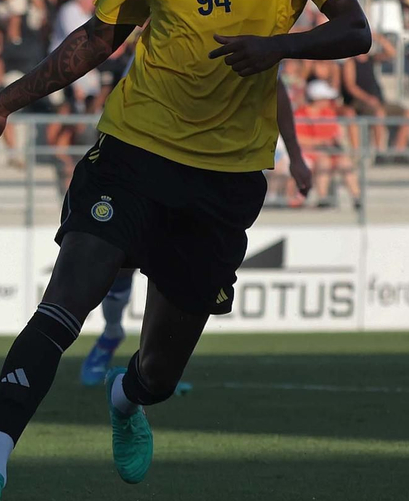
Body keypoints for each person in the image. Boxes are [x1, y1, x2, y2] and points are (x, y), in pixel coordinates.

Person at [0, 0, 370, 501]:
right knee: (63, 303)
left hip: (223, 181)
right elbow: (97, 37)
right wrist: (4, 102)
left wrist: (277, 48)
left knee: (160, 373)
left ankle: (125, 398)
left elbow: (355, 30)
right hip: (133, 153)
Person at [78, 84, 317, 386]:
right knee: (121, 265)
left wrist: (295, 155)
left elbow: (274, 87)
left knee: (173, 269)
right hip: (145, 161)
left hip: (201, 173)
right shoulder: (153, 54)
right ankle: (112, 334)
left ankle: (152, 364)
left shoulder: (245, 45)